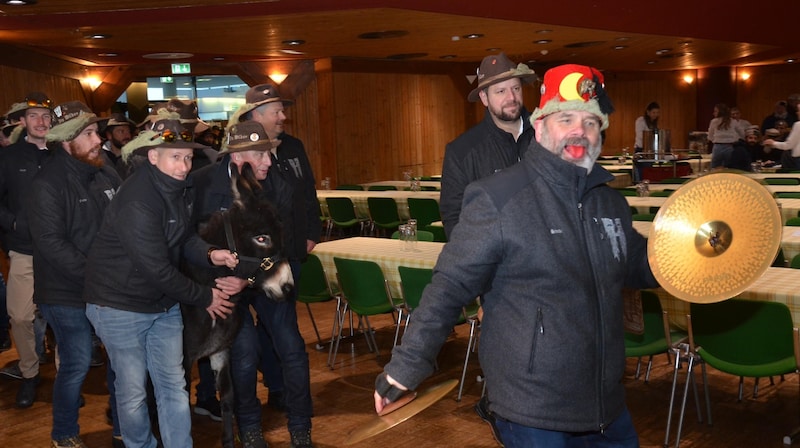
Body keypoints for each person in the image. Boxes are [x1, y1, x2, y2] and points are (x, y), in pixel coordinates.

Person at [374, 64, 658, 448]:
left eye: (591, 123)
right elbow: (450, 285)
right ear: (539, 128)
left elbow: (638, 262)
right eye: (566, 118)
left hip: (604, 402)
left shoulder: (607, 200)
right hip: (533, 408)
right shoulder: (499, 197)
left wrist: (691, 253)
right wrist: (406, 367)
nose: (580, 131)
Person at [84, 118, 241, 448]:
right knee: (133, 392)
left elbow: (182, 238)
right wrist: (205, 296)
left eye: (187, 157)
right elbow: (157, 269)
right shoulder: (138, 200)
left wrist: (212, 254)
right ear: (153, 156)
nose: (184, 166)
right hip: (118, 305)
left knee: (173, 383)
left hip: (161, 303)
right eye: (175, 157)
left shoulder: (178, 189)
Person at [217, 84, 317, 448]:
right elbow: (200, 241)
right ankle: (250, 427)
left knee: (290, 346)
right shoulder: (209, 186)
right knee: (243, 355)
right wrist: (227, 278)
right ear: (235, 156)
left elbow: (281, 245)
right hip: (228, 281)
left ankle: (301, 425)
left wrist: (249, 276)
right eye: (260, 155)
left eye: (269, 154)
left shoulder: (279, 186)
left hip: (272, 271)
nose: (268, 162)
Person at [28, 101, 122, 448]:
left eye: (96, 132)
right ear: (68, 140)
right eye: (88, 133)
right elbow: (52, 244)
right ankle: (64, 433)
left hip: (110, 287)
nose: (98, 139)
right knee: (78, 361)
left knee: (121, 360)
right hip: (65, 292)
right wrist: (97, 276)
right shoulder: (47, 183)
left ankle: (122, 424)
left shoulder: (105, 170)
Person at [440, 52, 537, 239]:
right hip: (497, 263)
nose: (511, 97)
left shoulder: (549, 136)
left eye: (516, 88)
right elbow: (454, 218)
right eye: (501, 91)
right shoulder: (461, 152)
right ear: (484, 98)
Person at [0, 91, 54, 407]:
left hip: (62, 253)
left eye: (46, 116)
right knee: (20, 317)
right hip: (24, 250)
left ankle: (68, 382)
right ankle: (30, 373)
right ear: (22, 121)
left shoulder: (64, 155)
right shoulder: (8, 158)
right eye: (33, 116)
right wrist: (15, 224)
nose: (40, 121)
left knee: (65, 319)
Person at [764, 102, 800, 170]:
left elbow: (788, 145)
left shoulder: (798, 125)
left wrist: (773, 143)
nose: (797, 113)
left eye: (798, 111)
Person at [707, 103, 740, 169]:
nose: (714, 113)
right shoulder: (733, 121)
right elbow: (741, 133)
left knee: (715, 168)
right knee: (729, 167)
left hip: (718, 146)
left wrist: (715, 140)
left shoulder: (714, 121)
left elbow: (710, 135)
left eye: (715, 111)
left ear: (720, 112)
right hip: (730, 146)